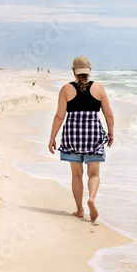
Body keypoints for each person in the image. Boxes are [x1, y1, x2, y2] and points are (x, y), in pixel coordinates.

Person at [47, 56, 115, 221]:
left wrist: (52, 138)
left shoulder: (66, 89)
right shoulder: (98, 88)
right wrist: (111, 133)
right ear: (89, 70)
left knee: (76, 175)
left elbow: (59, 116)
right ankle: (91, 198)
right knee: (94, 174)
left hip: (73, 136)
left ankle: (79, 210)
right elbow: (109, 114)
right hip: (93, 136)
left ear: (73, 72)